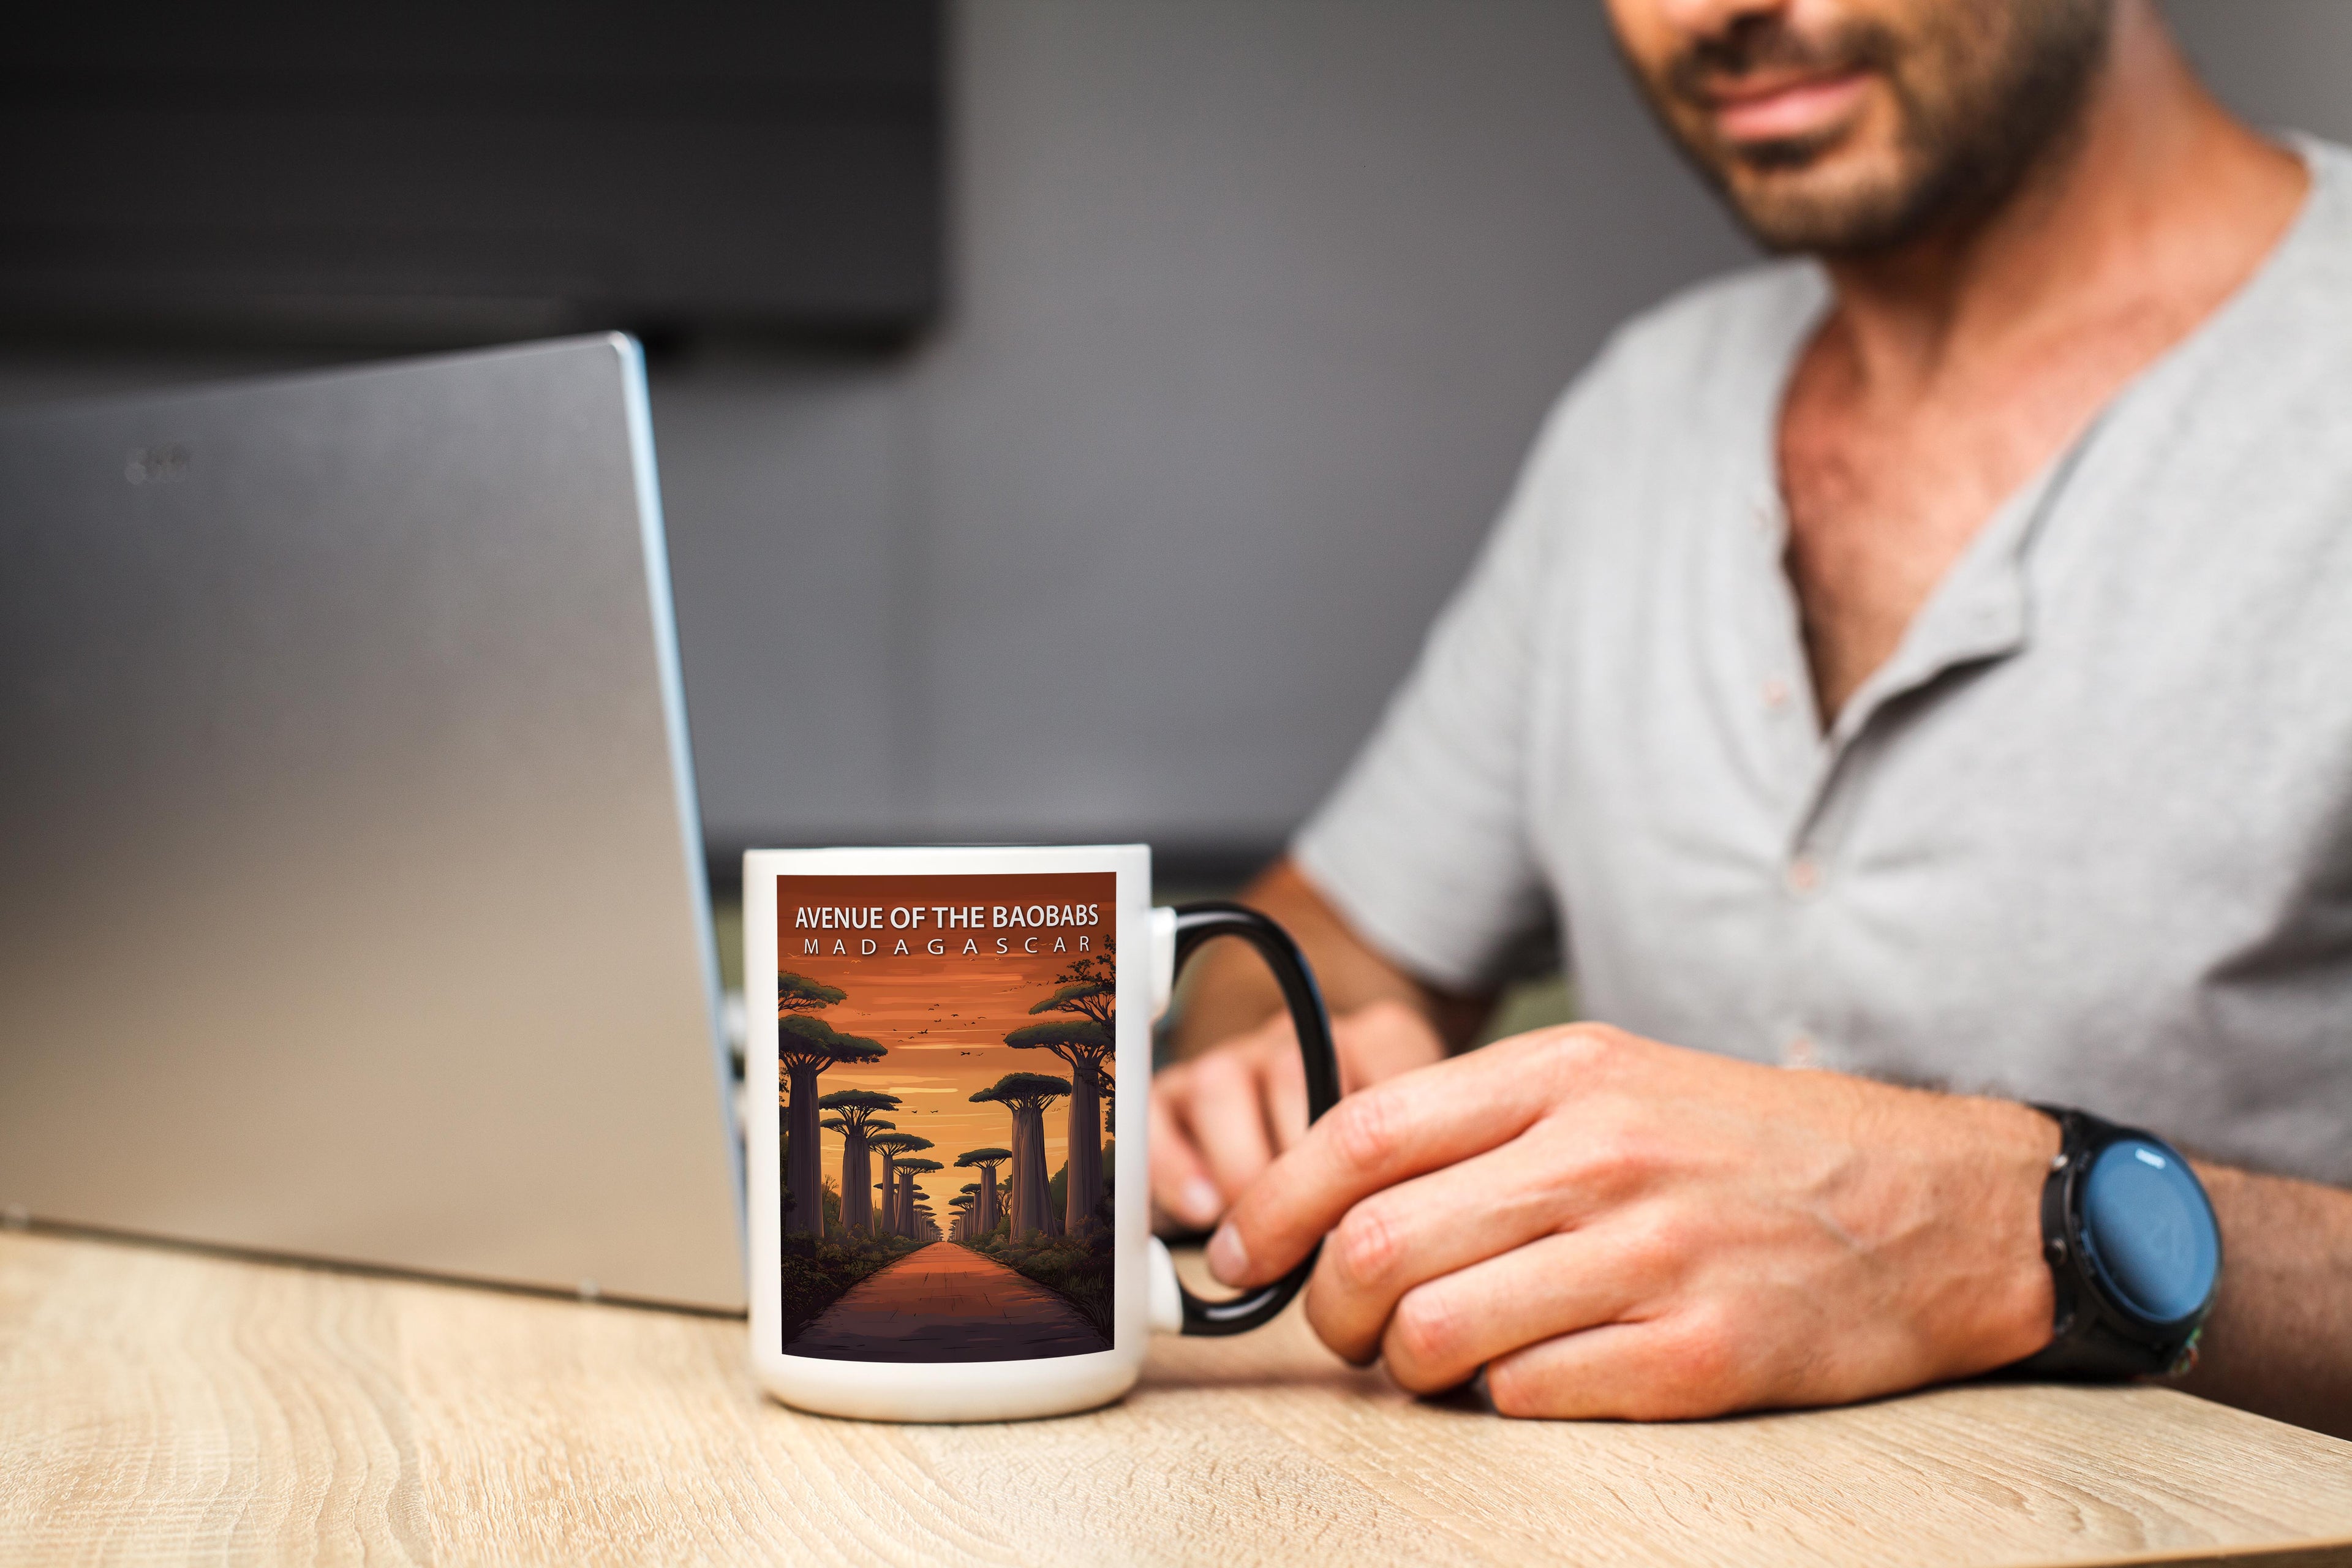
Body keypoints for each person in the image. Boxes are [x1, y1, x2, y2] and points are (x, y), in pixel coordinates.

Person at [1148, 0, 2352, 1437]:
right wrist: (1284, 1065)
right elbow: (1328, 938)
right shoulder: (1642, 418)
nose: (1715, 11)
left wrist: (2012, 1229)